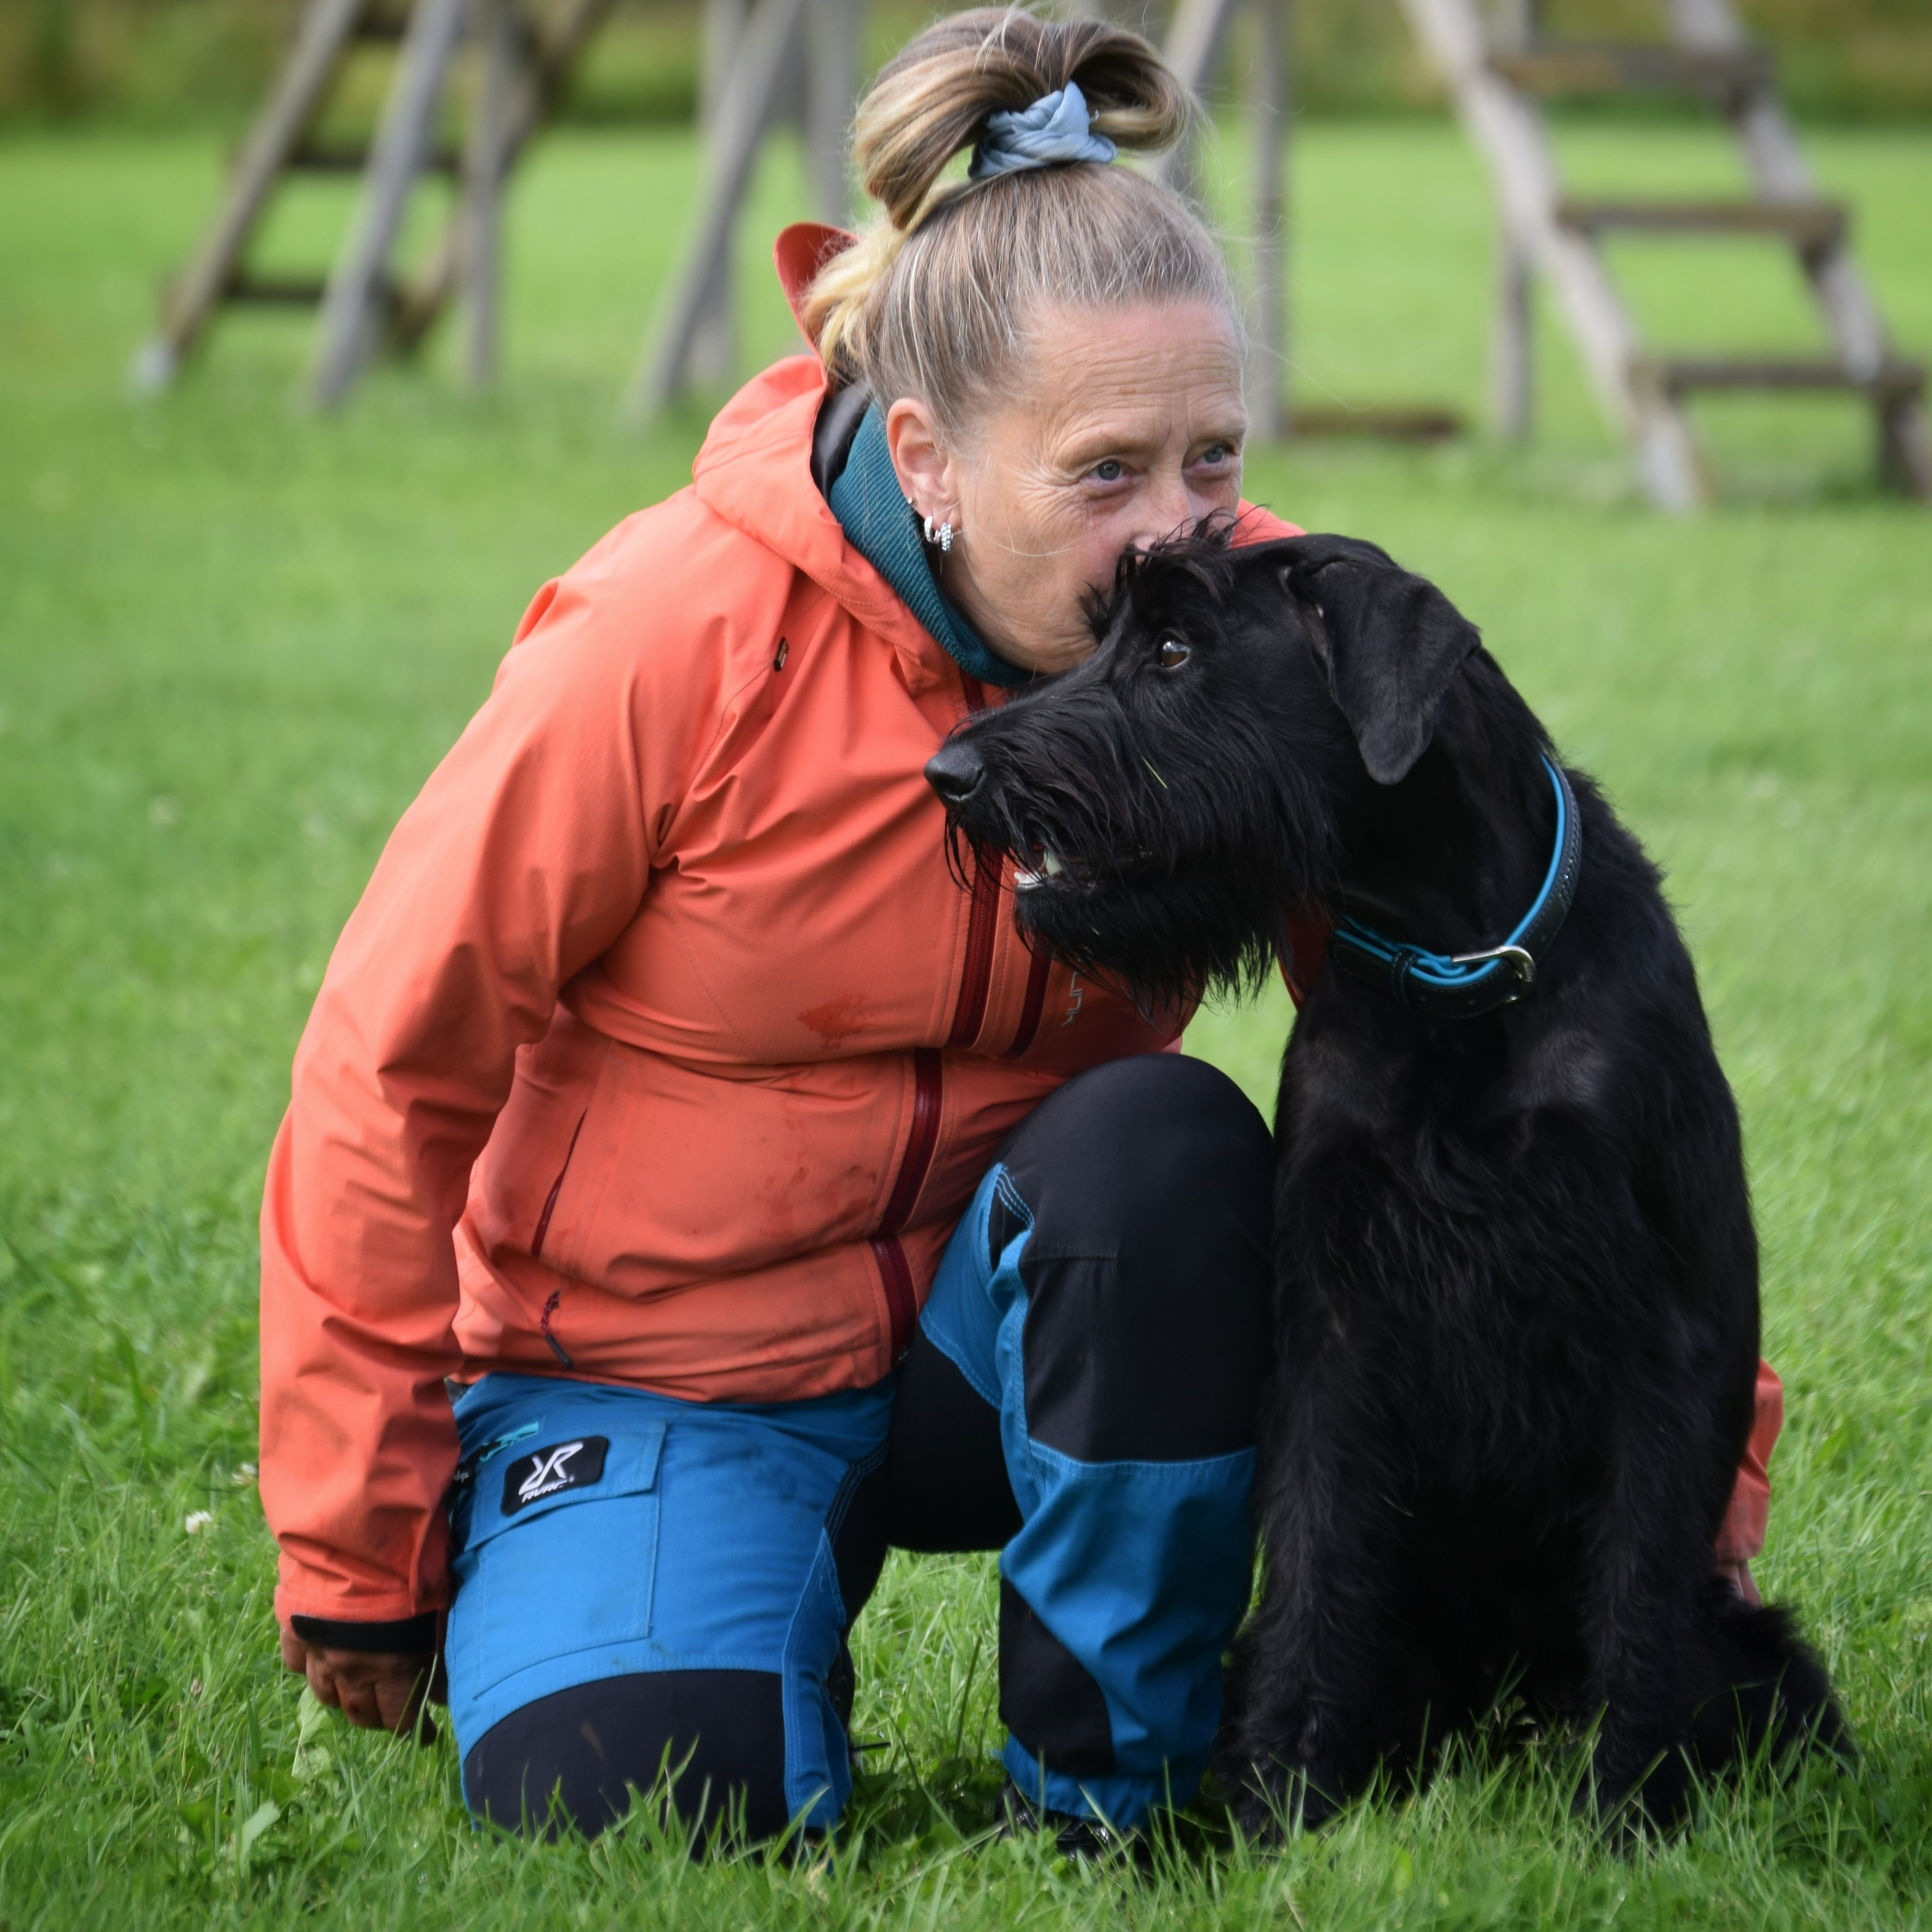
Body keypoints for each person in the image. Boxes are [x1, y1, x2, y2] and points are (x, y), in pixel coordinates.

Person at [260, 7, 1782, 1851]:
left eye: (1210, 459)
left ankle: (1116, 1799)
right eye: (1103, 473)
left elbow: (1522, 988)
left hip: (1014, 1338)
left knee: (1169, 1146)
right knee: (653, 1804)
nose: (1177, 535)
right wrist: (356, 1528)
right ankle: (683, 1586)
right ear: (924, 454)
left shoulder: (1241, 627)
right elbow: (390, 1056)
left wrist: (1703, 1454)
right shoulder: (661, 637)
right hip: (661, 1370)